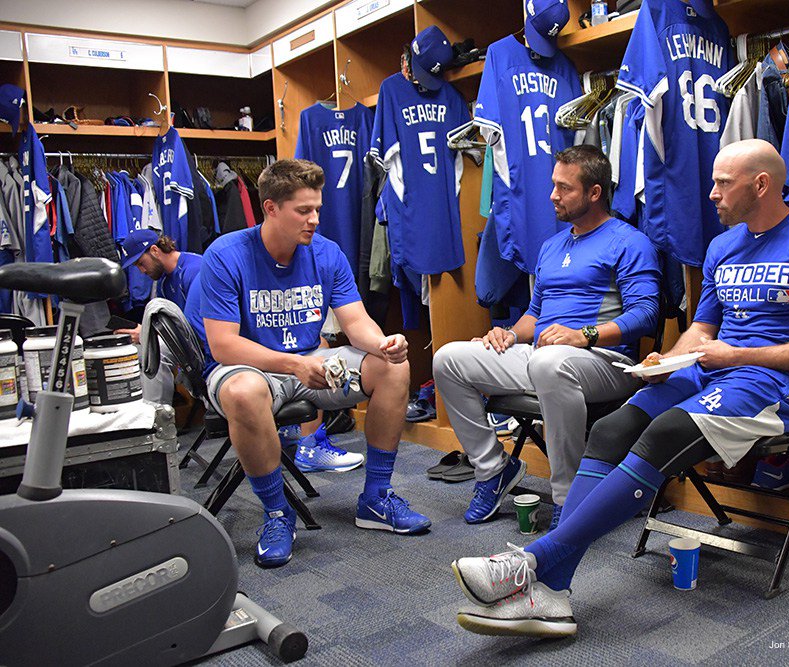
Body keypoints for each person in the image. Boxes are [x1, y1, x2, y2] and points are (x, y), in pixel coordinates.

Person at [449, 139, 789, 637]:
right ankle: (552, 591)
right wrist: (671, 359)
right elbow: (703, 330)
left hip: (775, 384)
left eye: (723, 183)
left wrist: (738, 355)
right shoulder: (723, 246)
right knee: (611, 429)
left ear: (761, 184)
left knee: (663, 434)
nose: (712, 194)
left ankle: (535, 564)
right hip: (711, 370)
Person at [184, 159, 431, 568]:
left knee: (393, 368)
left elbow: (355, 323)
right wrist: (292, 365)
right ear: (271, 208)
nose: (314, 219)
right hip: (246, 368)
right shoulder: (226, 256)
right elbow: (224, 345)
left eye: (317, 208)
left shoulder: (326, 253)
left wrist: (383, 344)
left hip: (309, 361)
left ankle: (375, 498)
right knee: (244, 392)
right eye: (303, 210)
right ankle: (278, 515)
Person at [433, 145, 660, 527]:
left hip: (606, 362)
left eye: (564, 188)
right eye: (554, 185)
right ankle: (493, 470)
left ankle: (570, 497)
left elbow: (646, 315)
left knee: (548, 363)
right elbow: (535, 315)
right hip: (544, 358)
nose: (553, 196)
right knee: (448, 359)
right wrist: (506, 335)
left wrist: (582, 335)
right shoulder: (553, 246)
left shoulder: (629, 242)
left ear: (594, 193)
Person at [116, 229, 202, 404]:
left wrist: (148, 335)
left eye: (141, 263)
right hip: (189, 347)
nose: (141, 271)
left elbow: (202, 327)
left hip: (209, 347)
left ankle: (159, 419)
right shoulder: (164, 282)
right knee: (135, 352)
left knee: (155, 350)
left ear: (155, 250)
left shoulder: (194, 269)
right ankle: (139, 417)